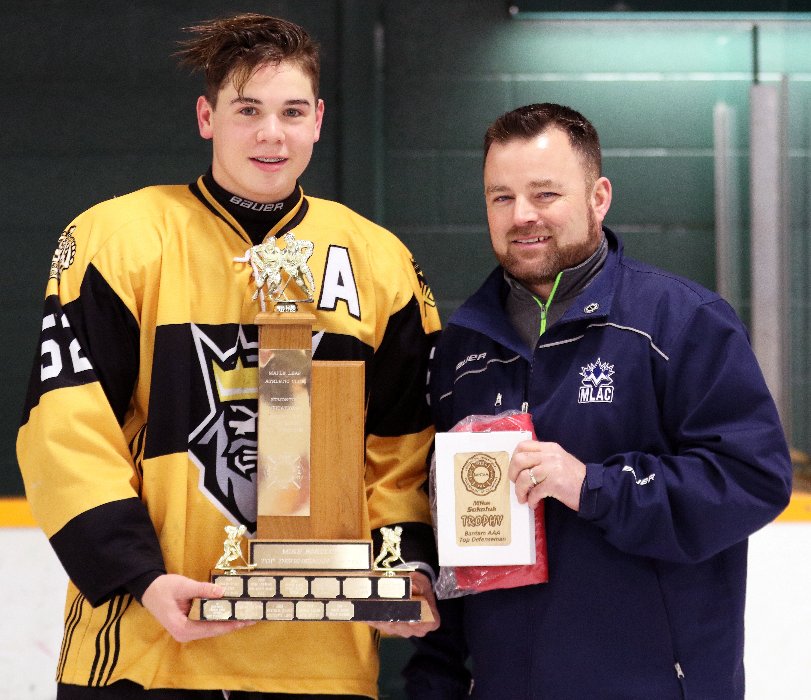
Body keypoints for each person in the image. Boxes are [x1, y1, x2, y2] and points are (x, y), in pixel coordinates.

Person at [17, 13, 440, 699]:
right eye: (248, 110)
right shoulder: (118, 239)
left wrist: (406, 566)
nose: (271, 133)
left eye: (291, 111)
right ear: (206, 116)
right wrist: (140, 576)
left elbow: (403, 442)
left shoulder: (379, 261)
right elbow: (66, 427)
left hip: (319, 663)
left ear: (318, 120)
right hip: (146, 648)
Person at [404, 103, 792, 699]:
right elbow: (447, 539)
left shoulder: (682, 322)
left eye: (545, 194)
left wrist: (593, 486)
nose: (522, 215)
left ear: (598, 197)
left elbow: (753, 479)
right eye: (501, 197)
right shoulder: (463, 348)